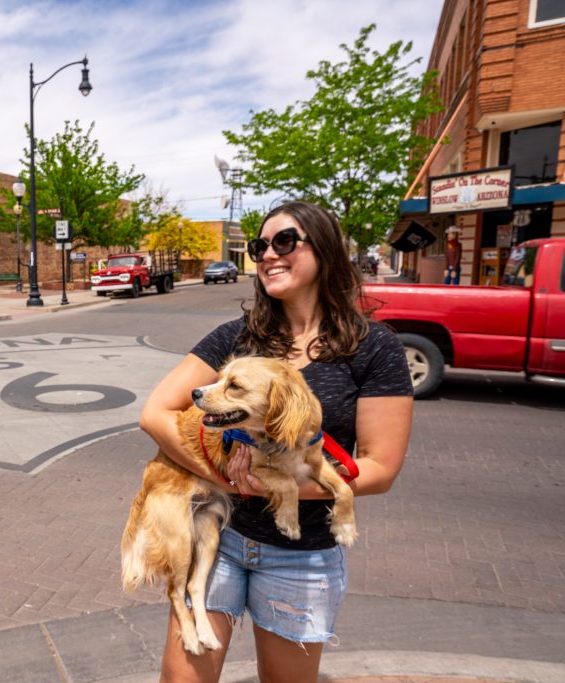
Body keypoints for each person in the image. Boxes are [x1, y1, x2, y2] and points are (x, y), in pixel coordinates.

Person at [139, 201, 413, 683]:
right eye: (260, 245)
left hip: (302, 556)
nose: (268, 254)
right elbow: (155, 413)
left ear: (325, 250)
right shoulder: (236, 339)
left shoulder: (374, 348)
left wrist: (274, 488)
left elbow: (379, 468)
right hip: (218, 538)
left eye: (284, 241)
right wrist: (223, 478)